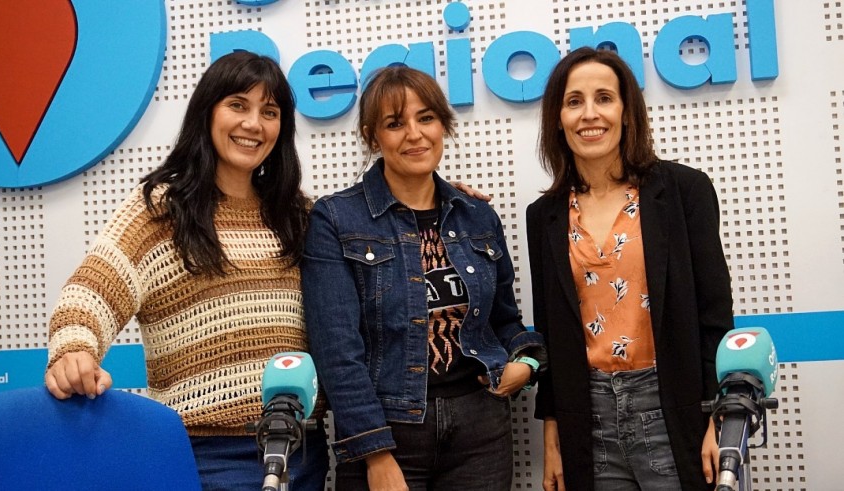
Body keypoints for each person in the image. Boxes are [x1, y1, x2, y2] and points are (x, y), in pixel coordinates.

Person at [43, 51, 329, 490]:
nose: (253, 124)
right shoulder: (160, 212)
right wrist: (74, 350)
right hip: (206, 456)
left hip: (303, 451)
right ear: (207, 111)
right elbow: (90, 291)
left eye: (269, 112)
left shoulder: (298, 215)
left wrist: (444, 201)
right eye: (238, 105)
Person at [301, 65, 547, 491]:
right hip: (390, 431)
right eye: (395, 124)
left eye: (426, 118)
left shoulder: (477, 216)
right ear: (372, 136)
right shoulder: (336, 219)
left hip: (480, 429)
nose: (414, 134)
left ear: (443, 125)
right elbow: (337, 349)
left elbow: (504, 320)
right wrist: (374, 453)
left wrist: (526, 362)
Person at [526, 46, 734, 491]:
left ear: (626, 110)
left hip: (671, 407)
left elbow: (714, 315)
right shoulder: (543, 216)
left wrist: (717, 416)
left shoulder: (683, 191)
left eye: (604, 98)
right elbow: (551, 333)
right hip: (588, 417)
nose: (589, 114)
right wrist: (552, 432)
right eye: (574, 101)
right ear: (557, 118)